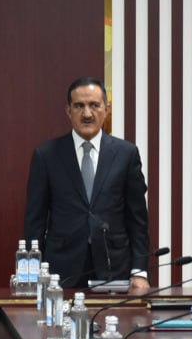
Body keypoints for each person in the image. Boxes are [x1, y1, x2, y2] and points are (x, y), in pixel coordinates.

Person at [23, 78, 151, 293]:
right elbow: (34, 222)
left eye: (94, 105)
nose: (87, 113)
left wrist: (139, 271)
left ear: (106, 109)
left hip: (115, 268)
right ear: (68, 110)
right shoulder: (46, 155)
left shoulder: (126, 154)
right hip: (61, 271)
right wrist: (31, 273)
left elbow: (138, 220)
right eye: (79, 106)